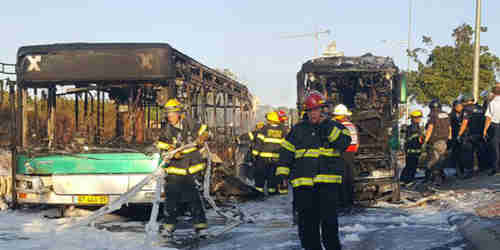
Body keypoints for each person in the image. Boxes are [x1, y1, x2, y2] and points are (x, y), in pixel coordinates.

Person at [277, 91, 351, 250]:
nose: (313, 114)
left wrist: (327, 125)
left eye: (316, 110)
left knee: (329, 225)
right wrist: (282, 174)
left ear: (323, 110)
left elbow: (343, 143)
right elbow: (286, 152)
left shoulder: (336, 127)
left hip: (327, 186)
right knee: (306, 227)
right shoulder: (297, 130)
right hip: (303, 187)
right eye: (310, 110)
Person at [156, 98, 209, 234]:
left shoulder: (190, 123)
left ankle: (200, 225)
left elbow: (205, 130)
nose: (170, 117)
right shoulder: (166, 130)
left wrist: (203, 137)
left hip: (192, 167)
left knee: (193, 196)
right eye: (168, 114)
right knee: (171, 197)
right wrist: (171, 152)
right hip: (175, 168)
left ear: (179, 113)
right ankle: (169, 226)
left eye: (172, 114)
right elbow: (161, 147)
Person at [253, 111, 287, 195]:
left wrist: (254, 154)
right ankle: (271, 191)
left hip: (263, 158)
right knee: (272, 176)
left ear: (269, 120)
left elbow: (259, 142)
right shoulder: (282, 130)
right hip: (276, 158)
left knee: (260, 175)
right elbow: (285, 145)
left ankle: (258, 191)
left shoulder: (264, 129)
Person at [332, 104, 358, 208]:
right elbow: (357, 142)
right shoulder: (352, 125)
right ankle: (350, 200)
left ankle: (343, 202)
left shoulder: (340, 126)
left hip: (343, 153)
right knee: (350, 178)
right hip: (351, 153)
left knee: (342, 178)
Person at [421, 99, 451, 186]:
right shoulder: (446, 115)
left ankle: (435, 179)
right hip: (444, 140)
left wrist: (425, 141)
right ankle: (441, 176)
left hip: (435, 140)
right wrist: (449, 138)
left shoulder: (433, 115)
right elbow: (449, 127)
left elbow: (430, 128)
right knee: (441, 159)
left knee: (434, 160)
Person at [458, 93, 488, 177]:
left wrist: (459, 134)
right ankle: (482, 169)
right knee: (480, 152)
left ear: (465, 101)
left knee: (468, 153)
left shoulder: (466, 109)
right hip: (480, 134)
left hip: (469, 134)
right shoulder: (480, 108)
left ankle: (469, 171)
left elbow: (465, 122)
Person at [400, 110, 423, 184]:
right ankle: (408, 180)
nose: (419, 119)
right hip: (413, 150)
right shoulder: (414, 127)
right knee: (412, 166)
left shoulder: (411, 126)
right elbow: (415, 138)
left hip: (411, 150)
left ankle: (403, 179)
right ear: (414, 118)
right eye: (418, 118)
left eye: (420, 117)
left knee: (409, 165)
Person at [484, 87, 500, 176]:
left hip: (495, 127)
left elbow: (488, 117)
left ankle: (495, 169)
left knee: (495, 148)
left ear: (493, 93)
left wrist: (485, 130)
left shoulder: (492, 103)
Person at [449, 100, 464, 177]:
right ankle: (458, 171)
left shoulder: (464, 113)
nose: (459, 108)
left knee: (463, 153)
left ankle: (463, 170)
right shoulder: (451, 115)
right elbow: (450, 127)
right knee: (456, 154)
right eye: (458, 106)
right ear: (454, 107)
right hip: (455, 136)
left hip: (463, 136)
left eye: (460, 106)